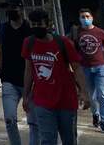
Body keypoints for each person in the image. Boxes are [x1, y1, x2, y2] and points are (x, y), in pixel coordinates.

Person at [22, 9, 90, 145]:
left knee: (69, 140)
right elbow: (29, 70)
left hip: (66, 100)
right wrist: (26, 95)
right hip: (42, 101)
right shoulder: (29, 43)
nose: (36, 27)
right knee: (47, 140)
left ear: (47, 24)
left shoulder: (63, 42)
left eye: (39, 24)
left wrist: (84, 91)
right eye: (33, 24)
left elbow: (77, 68)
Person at [0, 0, 37, 145]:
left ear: (21, 9)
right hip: (9, 80)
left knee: (33, 122)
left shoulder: (30, 29)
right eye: (8, 8)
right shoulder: (2, 29)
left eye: (13, 7)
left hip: (30, 81)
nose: (10, 10)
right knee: (9, 119)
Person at [73, 8, 104, 133]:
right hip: (85, 68)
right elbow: (74, 52)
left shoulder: (100, 32)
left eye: (87, 16)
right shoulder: (77, 34)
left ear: (92, 18)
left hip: (100, 67)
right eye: (82, 17)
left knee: (102, 95)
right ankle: (95, 114)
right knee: (91, 96)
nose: (85, 19)